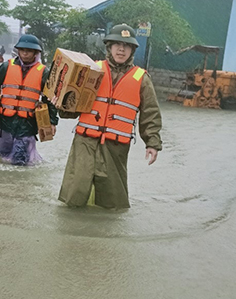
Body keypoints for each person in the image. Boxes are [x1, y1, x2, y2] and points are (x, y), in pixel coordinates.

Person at [58, 24, 162, 209]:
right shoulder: (92, 69)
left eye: (126, 46)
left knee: (112, 203)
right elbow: (72, 104)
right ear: (109, 47)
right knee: (75, 192)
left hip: (116, 146)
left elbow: (151, 113)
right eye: (116, 44)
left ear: (132, 50)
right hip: (85, 141)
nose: (121, 49)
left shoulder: (141, 78)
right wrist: (60, 102)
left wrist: (152, 143)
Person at [0, 34, 58, 166]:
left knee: (19, 160)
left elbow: (49, 98)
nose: (25, 53)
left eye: (29, 51)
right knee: (3, 156)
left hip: (27, 124)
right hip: (4, 121)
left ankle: (18, 184)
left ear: (36, 53)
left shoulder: (43, 72)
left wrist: (53, 121)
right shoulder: (6, 67)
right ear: (18, 51)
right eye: (22, 50)